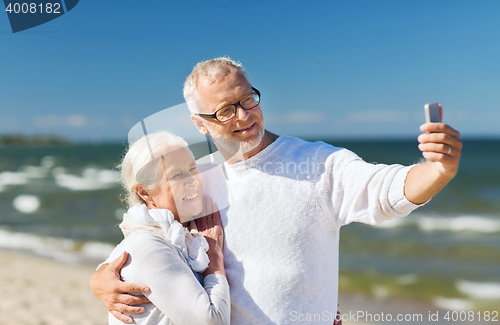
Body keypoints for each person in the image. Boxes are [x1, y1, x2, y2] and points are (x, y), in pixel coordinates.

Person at [91, 57, 462, 325]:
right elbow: (149, 234)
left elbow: (387, 191)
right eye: (225, 111)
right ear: (200, 125)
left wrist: (438, 170)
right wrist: (102, 277)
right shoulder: (199, 180)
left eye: (248, 99)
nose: (244, 115)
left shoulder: (317, 162)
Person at [101, 131, 230, 325]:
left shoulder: (183, 235)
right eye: (176, 175)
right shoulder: (147, 245)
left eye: (193, 168)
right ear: (145, 192)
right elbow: (212, 322)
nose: (193, 180)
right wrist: (214, 256)